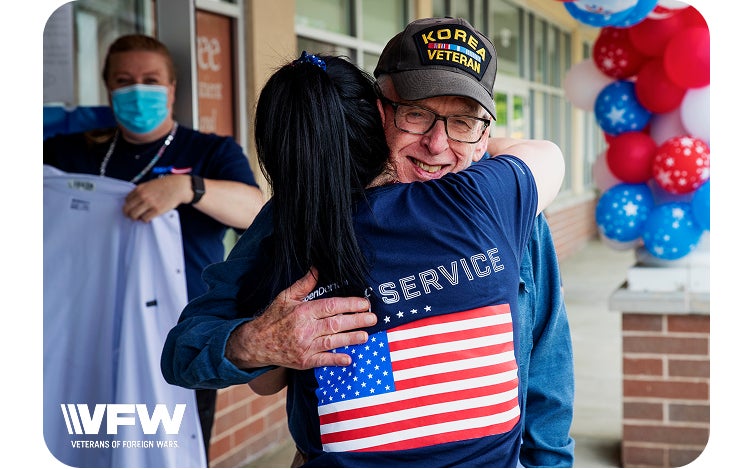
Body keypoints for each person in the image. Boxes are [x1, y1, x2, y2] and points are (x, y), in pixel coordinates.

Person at [162, 17, 575, 467]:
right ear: (380, 113)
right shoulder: (302, 213)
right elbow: (186, 349)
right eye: (417, 114)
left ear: (484, 134)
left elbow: (547, 369)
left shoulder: (509, 212)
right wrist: (256, 343)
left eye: (462, 122)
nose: (437, 145)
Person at [43, 33, 264, 464]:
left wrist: (187, 187)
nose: (137, 89)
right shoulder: (70, 153)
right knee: (87, 441)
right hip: (85, 329)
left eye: (150, 79)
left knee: (167, 447)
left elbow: (254, 210)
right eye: (124, 80)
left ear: (172, 88)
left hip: (181, 334)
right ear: (108, 88)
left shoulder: (209, 151)